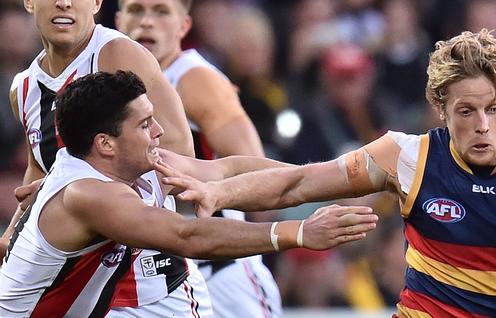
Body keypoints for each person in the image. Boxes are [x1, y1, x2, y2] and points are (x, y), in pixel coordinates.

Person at [159, 29, 496, 317]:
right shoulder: (407, 157)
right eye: (465, 110)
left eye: (493, 109)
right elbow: (296, 181)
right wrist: (217, 191)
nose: (482, 125)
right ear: (441, 109)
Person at [0, 70, 377, 317]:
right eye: (146, 124)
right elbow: (187, 235)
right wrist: (297, 233)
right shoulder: (87, 194)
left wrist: (334, 179)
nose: (160, 131)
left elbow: (228, 171)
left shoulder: (137, 163)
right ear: (106, 144)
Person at [113, 0, 278, 317]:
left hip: (219, 269)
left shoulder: (194, 79)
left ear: (184, 24)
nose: (146, 21)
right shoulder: (109, 85)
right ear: (117, 20)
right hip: (154, 268)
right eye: (136, 10)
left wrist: (188, 186)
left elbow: (257, 173)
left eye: (161, 11)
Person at [1, 0, 192, 253]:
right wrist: (9, 241)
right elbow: (38, 174)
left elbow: (180, 155)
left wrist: (84, 199)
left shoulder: (118, 56)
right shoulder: (23, 88)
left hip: (144, 276)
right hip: (74, 277)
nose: (64, 1)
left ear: (96, 1)